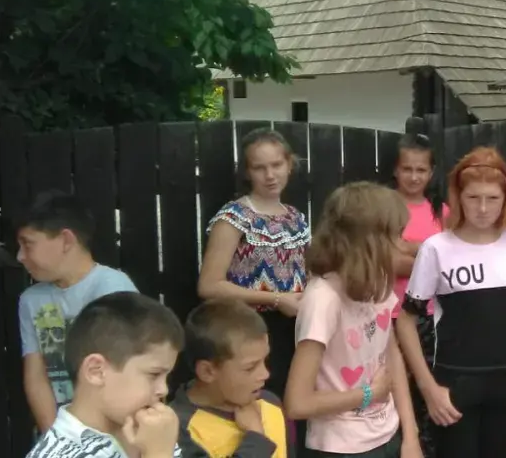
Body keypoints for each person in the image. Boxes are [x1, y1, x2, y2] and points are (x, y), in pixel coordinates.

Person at [396, 147, 506, 458]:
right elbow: (406, 320)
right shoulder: (436, 248)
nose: (483, 208)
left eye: (493, 198)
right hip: (454, 385)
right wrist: (428, 388)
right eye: (473, 197)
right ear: (458, 197)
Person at [286, 182, 420, 458]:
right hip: (341, 448)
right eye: (396, 235)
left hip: (389, 435)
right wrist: (369, 394)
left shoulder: (378, 283)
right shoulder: (323, 299)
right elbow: (297, 403)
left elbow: (391, 356)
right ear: (368, 241)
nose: (403, 245)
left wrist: (410, 434)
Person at [198, 128, 310, 402]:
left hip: (295, 330)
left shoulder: (295, 218)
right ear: (247, 172)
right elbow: (209, 286)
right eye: (260, 168)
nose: (270, 175)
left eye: (276, 165)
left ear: (289, 164)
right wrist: (276, 299)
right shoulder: (234, 217)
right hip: (248, 332)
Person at [16, 191, 138, 431]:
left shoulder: (112, 288)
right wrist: (57, 439)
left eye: (28, 244)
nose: (20, 256)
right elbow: (36, 377)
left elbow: (128, 372)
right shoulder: (31, 300)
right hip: (62, 431)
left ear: (66, 240)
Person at [26, 292, 185, 458]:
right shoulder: (59, 454)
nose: (164, 389)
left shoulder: (151, 434)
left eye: (166, 377)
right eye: (154, 375)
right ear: (96, 371)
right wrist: (159, 453)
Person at [171, 299, 294, 456]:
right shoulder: (175, 429)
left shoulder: (271, 404)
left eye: (265, 360)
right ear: (207, 371)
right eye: (250, 368)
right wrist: (256, 439)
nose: (265, 374)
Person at [390, 134, 448, 458]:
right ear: (395, 170)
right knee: (394, 394)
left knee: (427, 392)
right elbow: (385, 260)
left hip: (431, 318)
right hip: (389, 316)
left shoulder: (442, 212)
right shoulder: (384, 208)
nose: (414, 177)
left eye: (421, 170)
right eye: (407, 169)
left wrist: (408, 248)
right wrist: (429, 255)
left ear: (431, 172)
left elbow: (451, 263)